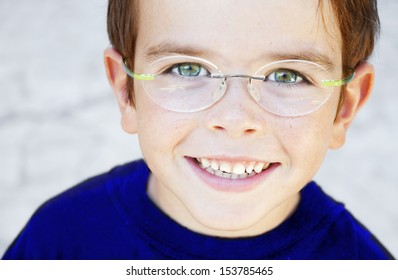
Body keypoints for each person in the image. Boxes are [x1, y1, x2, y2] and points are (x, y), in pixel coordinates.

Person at [2, 0, 394, 260]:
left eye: (288, 75)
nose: (237, 119)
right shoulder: (59, 241)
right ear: (126, 90)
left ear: (345, 106)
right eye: (187, 69)